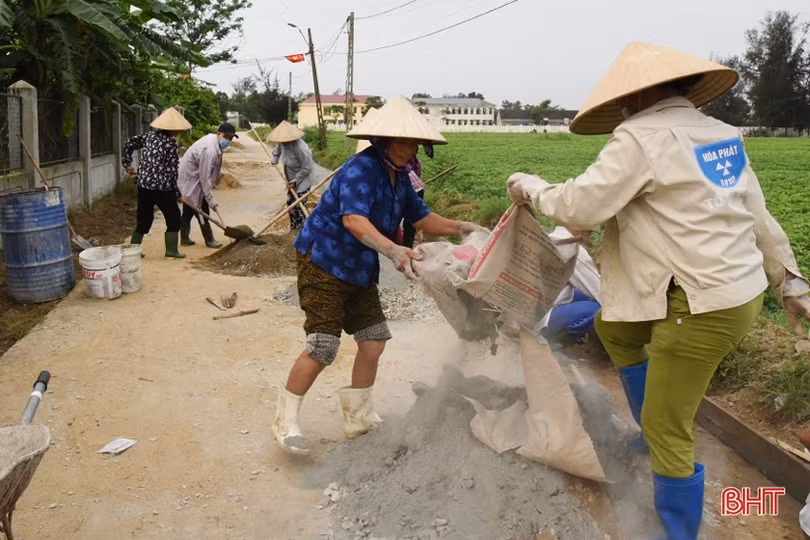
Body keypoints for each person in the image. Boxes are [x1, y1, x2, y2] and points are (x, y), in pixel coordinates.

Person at [506, 41, 810, 540]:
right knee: (615, 328)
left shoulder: (638, 137)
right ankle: (651, 434)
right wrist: (790, 281)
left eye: (625, 101)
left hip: (698, 304)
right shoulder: (720, 135)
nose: (623, 109)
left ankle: (674, 528)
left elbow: (580, 205)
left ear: (637, 95)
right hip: (735, 292)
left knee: (673, 428)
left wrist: (531, 186)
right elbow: (758, 216)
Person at [272, 96, 480, 456]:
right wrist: (395, 250)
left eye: (411, 142)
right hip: (323, 259)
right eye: (398, 141)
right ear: (382, 141)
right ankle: (284, 421)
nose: (405, 148)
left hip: (358, 267)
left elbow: (422, 218)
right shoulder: (360, 169)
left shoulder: (402, 179)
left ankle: (359, 417)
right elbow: (353, 220)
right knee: (323, 345)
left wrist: (463, 226)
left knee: (373, 339)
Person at [122, 107, 191, 258]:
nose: (179, 131)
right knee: (173, 218)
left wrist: (126, 163)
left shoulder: (149, 137)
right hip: (162, 188)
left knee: (144, 218)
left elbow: (129, 143)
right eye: (178, 129)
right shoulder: (171, 145)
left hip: (143, 185)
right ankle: (171, 251)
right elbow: (172, 171)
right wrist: (177, 193)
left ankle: (133, 251)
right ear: (172, 129)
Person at [536, 227, 602, 348]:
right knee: (599, 310)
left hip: (531, 309)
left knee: (583, 294)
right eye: (589, 231)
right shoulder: (574, 250)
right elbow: (602, 294)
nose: (590, 236)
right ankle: (558, 342)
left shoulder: (551, 238)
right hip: (539, 321)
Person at [178, 123, 238, 248]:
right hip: (191, 179)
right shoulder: (208, 150)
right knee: (202, 209)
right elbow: (205, 178)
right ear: (218, 133)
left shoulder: (214, 143)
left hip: (194, 178)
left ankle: (184, 238)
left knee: (189, 209)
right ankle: (209, 239)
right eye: (226, 137)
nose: (228, 140)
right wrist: (211, 200)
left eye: (231, 138)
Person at [268, 121, 315, 231]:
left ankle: (303, 230)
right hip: (290, 177)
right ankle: (293, 228)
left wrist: (295, 181)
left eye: (286, 142)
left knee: (299, 205)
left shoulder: (301, 149)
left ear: (293, 138)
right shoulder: (282, 143)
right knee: (290, 203)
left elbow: (307, 168)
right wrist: (274, 159)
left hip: (303, 179)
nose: (284, 143)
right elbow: (277, 151)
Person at [401, 156, 425, 249]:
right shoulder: (414, 161)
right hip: (417, 187)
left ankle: (406, 246)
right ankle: (407, 245)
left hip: (413, 188)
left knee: (410, 220)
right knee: (411, 221)